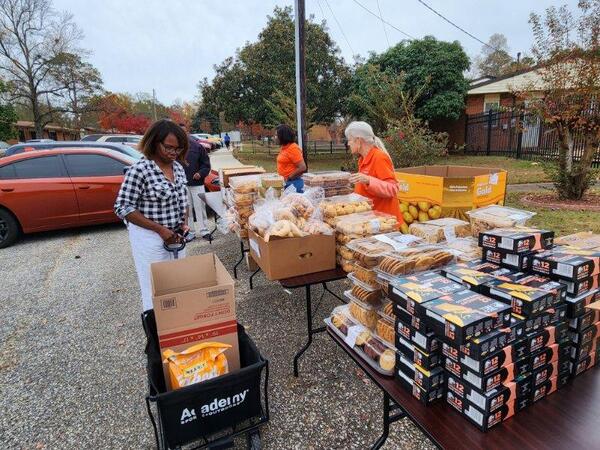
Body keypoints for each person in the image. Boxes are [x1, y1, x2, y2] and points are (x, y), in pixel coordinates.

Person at [114, 119, 190, 312]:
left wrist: (184, 223)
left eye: (178, 149)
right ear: (154, 143)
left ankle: (178, 321)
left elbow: (183, 199)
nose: (174, 153)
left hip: (175, 235)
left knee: (178, 281)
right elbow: (122, 207)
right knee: (155, 287)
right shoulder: (140, 170)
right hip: (150, 238)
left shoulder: (178, 168)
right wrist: (159, 229)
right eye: (169, 148)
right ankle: (158, 328)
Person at [345, 121, 403, 223]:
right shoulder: (363, 159)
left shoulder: (379, 157)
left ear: (358, 141)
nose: (348, 143)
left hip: (385, 222)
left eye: (349, 140)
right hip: (371, 220)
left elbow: (393, 189)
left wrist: (368, 180)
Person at [180, 123, 211, 241]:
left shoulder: (197, 147)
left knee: (200, 207)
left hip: (197, 183)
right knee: (186, 209)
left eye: (184, 132)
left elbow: (206, 165)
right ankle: (190, 232)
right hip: (182, 185)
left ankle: (204, 231)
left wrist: (200, 173)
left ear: (187, 132)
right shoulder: (175, 148)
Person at [275, 124, 307, 192]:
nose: (274, 137)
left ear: (282, 136)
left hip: (293, 184)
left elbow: (302, 167)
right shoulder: (284, 148)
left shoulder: (293, 148)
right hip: (285, 183)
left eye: (276, 135)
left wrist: (289, 177)